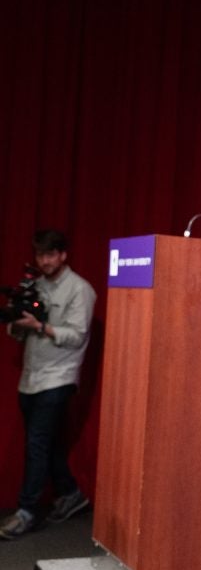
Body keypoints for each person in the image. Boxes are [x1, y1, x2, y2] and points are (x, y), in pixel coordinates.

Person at [1, 229, 96, 540]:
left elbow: (76, 335)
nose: (44, 261)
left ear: (62, 255)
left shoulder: (79, 289)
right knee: (46, 442)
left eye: (50, 254)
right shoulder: (34, 286)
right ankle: (71, 493)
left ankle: (26, 511)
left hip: (59, 376)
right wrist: (17, 323)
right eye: (40, 255)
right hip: (31, 376)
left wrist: (40, 325)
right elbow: (18, 331)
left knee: (37, 444)